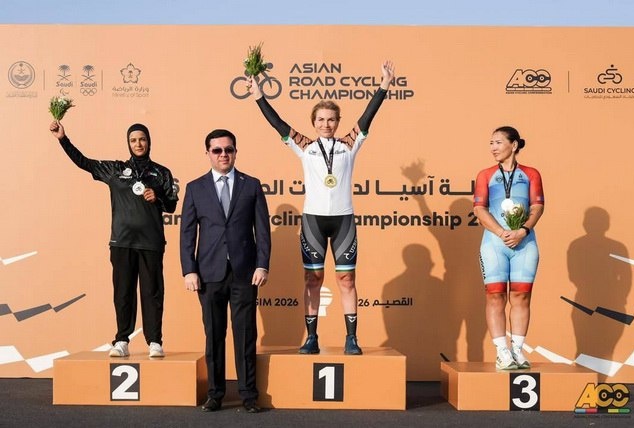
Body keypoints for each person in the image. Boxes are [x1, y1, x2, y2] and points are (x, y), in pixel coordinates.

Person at [247, 61, 395, 355]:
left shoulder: (350, 144)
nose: (326, 124)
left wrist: (384, 85)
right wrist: (258, 96)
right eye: (321, 120)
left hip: (343, 221)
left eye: (331, 120)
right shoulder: (304, 146)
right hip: (314, 221)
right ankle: (311, 338)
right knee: (312, 279)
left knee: (347, 279)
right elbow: (278, 123)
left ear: (338, 122)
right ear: (313, 122)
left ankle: (351, 338)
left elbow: (368, 116)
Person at [49, 120, 178, 358]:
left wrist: (158, 196)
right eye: (133, 140)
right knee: (123, 293)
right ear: (128, 143)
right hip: (122, 242)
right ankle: (121, 340)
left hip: (151, 243)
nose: (138, 144)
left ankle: (154, 341)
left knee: (152, 293)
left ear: (149, 142)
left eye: (142, 139)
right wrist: (63, 140)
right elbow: (84, 162)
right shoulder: (115, 169)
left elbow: (171, 205)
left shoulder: (162, 173)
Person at [180, 129, 270, 413]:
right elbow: (187, 234)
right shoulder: (195, 188)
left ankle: (248, 395)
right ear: (207, 153)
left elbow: (262, 230)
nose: (223, 155)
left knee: (245, 335)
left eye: (228, 149)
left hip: (245, 272)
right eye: (217, 150)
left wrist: (262, 264)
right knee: (214, 335)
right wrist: (189, 270)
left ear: (235, 152)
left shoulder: (251, 185)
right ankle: (215, 394)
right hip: (208, 274)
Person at [473, 126, 545, 370]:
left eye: (498, 142)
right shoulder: (485, 175)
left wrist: (522, 231)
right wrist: (501, 231)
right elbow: (479, 209)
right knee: (495, 296)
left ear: (513, 145)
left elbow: (537, 206)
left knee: (521, 296)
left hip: (524, 242)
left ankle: (517, 350)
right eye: (491, 143)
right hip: (495, 243)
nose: (493, 148)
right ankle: (502, 351)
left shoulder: (531, 174)